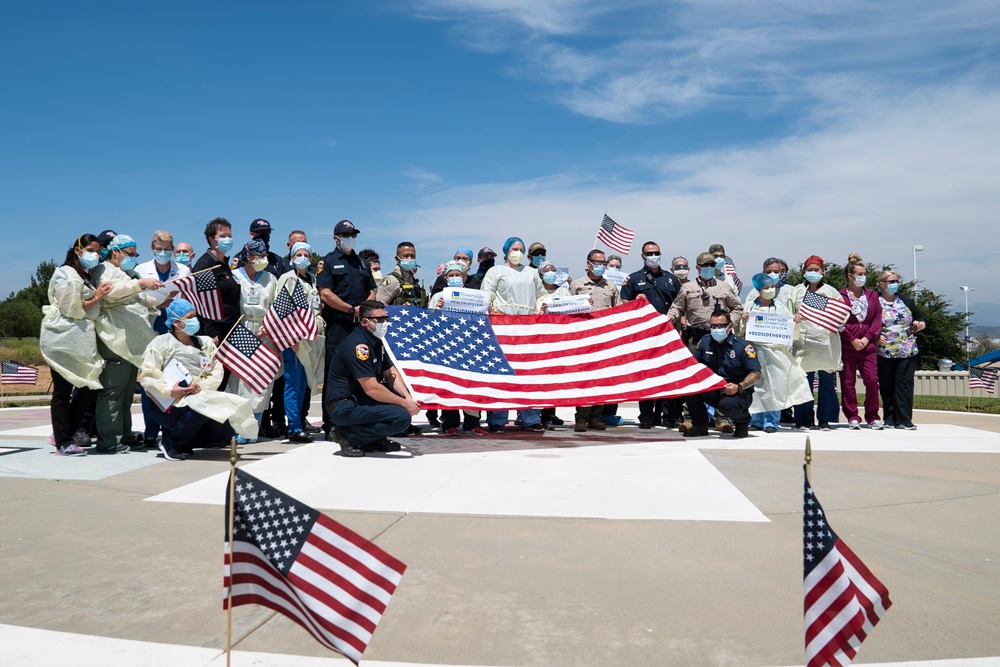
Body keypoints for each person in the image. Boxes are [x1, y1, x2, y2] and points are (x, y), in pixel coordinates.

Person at [140, 299, 256, 460]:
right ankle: (171, 442)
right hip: (168, 403)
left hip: (199, 395)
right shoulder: (161, 342)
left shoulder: (205, 342)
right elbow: (147, 374)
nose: (195, 320)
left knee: (225, 428)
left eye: (195, 316)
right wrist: (169, 391)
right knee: (198, 407)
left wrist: (200, 386)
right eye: (190, 317)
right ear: (175, 322)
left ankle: (188, 439)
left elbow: (216, 371)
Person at [40, 234, 110, 456]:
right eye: (91, 250)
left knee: (88, 387)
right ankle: (63, 442)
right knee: (62, 390)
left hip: (79, 339)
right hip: (62, 339)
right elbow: (72, 308)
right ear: (78, 250)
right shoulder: (67, 274)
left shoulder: (83, 274)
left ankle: (62, 433)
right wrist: (97, 297)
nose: (95, 255)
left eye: (98, 251)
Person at [91, 234, 163, 453]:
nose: (132, 258)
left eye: (135, 255)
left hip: (130, 343)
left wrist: (161, 298)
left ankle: (124, 434)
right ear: (116, 252)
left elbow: (138, 299)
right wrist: (139, 283)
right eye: (129, 254)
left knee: (125, 392)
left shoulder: (124, 273)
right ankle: (109, 440)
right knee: (113, 391)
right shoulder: (102, 270)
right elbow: (111, 294)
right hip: (114, 340)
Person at [325, 300, 419, 457]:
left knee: (400, 406)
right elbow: (371, 388)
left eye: (386, 318)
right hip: (344, 405)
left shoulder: (376, 342)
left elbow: (390, 373)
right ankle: (349, 436)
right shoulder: (359, 345)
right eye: (379, 319)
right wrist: (404, 404)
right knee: (401, 418)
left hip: (359, 399)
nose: (384, 322)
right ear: (364, 321)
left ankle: (371, 439)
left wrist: (407, 397)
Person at [317, 219, 377, 439]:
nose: (350, 237)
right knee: (335, 374)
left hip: (361, 326)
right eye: (346, 234)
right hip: (339, 325)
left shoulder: (362, 263)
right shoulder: (328, 262)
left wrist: (366, 308)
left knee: (362, 371)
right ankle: (332, 424)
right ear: (336, 238)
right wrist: (352, 309)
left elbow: (372, 289)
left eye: (353, 234)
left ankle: (357, 419)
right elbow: (325, 293)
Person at [480, 237, 545, 432]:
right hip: (503, 328)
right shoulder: (496, 271)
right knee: (501, 374)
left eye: (521, 249)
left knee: (528, 374)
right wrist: (491, 311)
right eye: (514, 249)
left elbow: (541, 295)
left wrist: (540, 309)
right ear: (506, 251)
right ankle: (497, 419)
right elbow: (486, 296)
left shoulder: (531, 272)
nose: (517, 253)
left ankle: (531, 418)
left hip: (527, 329)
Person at [736, 273, 813, 433]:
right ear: (758, 289)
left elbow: (791, 332)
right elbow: (740, 332)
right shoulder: (749, 306)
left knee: (775, 386)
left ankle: (771, 420)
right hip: (755, 351)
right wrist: (743, 321)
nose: (770, 290)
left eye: (772, 287)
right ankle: (756, 419)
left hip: (776, 352)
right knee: (756, 385)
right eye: (766, 287)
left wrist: (795, 323)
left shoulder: (781, 307)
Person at [135, 230, 191, 447]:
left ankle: (171, 428)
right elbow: (136, 305)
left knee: (175, 379)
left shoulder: (183, 270)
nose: (164, 253)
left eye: (168, 249)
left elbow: (189, 301)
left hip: (176, 331)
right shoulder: (141, 271)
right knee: (151, 381)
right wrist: (159, 305)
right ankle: (151, 430)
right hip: (151, 329)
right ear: (152, 248)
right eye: (159, 249)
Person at [621, 241, 685, 428]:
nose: (653, 256)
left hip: (668, 333)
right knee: (647, 375)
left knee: (669, 374)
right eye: (649, 253)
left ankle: (668, 416)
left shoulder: (672, 279)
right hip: (644, 335)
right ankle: (647, 417)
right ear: (643, 256)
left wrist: (680, 329)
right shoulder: (633, 279)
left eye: (656, 252)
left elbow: (680, 305)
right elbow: (624, 305)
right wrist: (635, 301)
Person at [273, 241, 327, 443]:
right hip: (295, 339)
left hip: (312, 338)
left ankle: (300, 421)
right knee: (293, 383)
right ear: (292, 257)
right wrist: (290, 337)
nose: (303, 258)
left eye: (306, 254)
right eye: (299, 254)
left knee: (305, 384)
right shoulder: (288, 278)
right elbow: (282, 309)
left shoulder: (312, 279)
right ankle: (293, 427)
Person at [227, 238, 280, 442]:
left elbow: (275, 306)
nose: (262, 260)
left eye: (264, 256)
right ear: (248, 256)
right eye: (258, 256)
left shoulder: (269, 278)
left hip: (264, 331)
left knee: (261, 381)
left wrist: (268, 327)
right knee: (239, 380)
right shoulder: (234, 277)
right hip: (240, 330)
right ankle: (237, 428)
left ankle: (253, 428)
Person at [427, 262, 487, 436]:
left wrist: (487, 309)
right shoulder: (438, 295)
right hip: (447, 346)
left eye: (457, 275)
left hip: (469, 345)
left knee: (472, 385)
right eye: (451, 275)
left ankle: (472, 423)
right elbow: (429, 321)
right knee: (449, 385)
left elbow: (481, 321)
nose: (454, 278)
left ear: (463, 277)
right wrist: (436, 309)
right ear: (446, 278)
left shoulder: (473, 296)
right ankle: (449, 423)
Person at [683, 309, 761, 438]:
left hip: (737, 391)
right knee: (690, 387)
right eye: (713, 326)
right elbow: (694, 366)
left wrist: (739, 387)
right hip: (714, 388)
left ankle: (743, 422)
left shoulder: (742, 346)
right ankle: (700, 425)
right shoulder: (706, 342)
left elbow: (756, 374)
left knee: (726, 406)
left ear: (729, 326)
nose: (716, 329)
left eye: (720, 326)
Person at [569, 250, 620, 432]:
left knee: (600, 379)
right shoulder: (577, 284)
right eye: (596, 262)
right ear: (588, 263)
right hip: (584, 338)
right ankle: (581, 417)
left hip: (604, 338)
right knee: (584, 379)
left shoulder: (611, 286)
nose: (600, 266)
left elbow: (618, 310)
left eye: (603, 263)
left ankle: (596, 416)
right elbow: (567, 311)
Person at [791, 254, 843, 431]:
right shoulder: (797, 291)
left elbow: (842, 315)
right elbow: (788, 312)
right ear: (804, 271)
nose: (813, 273)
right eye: (809, 270)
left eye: (816, 270)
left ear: (823, 272)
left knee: (827, 382)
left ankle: (825, 419)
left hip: (825, 343)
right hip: (803, 344)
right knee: (803, 382)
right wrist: (794, 318)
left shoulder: (831, 292)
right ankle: (803, 419)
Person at [839, 254, 884, 430]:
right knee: (848, 382)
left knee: (872, 380)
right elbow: (838, 320)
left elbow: (877, 320)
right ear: (851, 276)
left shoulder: (872, 296)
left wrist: (866, 338)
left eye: (864, 273)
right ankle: (852, 416)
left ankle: (872, 415)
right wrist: (852, 339)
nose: (863, 277)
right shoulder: (840, 295)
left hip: (868, 345)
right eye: (860, 274)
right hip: (848, 345)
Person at [876, 270, 925, 430]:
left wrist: (920, 324)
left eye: (896, 281)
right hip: (885, 351)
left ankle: (904, 420)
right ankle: (889, 419)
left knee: (904, 384)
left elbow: (920, 316)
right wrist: (876, 337)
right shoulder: (875, 302)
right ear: (882, 284)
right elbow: (868, 323)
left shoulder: (905, 300)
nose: (894, 284)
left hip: (907, 349)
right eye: (891, 281)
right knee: (887, 385)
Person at [192, 218, 242, 346]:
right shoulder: (205, 265)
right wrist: (211, 333)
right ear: (211, 239)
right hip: (217, 333)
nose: (228, 239)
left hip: (232, 328)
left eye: (229, 236)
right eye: (223, 236)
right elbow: (202, 302)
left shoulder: (225, 263)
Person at [376, 241, 428, 307]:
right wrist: (399, 309)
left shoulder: (413, 280)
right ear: (397, 259)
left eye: (412, 256)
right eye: (406, 256)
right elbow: (378, 306)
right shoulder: (391, 280)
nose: (410, 259)